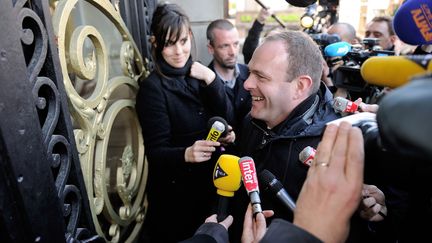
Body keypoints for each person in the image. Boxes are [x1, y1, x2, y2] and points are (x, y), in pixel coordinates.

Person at [136, 3, 235, 242]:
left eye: (182, 41)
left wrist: (212, 80)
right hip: (178, 199)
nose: (179, 51)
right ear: (156, 44)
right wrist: (186, 154)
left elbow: (228, 117)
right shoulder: (152, 89)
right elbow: (155, 153)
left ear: (190, 36)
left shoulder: (201, 74)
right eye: (169, 44)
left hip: (215, 185)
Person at [229, 30, 340, 242]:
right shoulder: (251, 120)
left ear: (300, 86)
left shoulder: (334, 144)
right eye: (250, 72)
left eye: (261, 76)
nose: (247, 84)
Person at [206, 19, 251, 137]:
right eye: (225, 46)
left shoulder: (250, 73)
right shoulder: (201, 83)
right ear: (211, 48)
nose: (232, 52)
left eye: (236, 44)